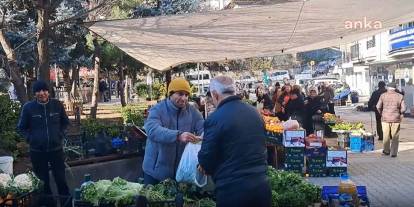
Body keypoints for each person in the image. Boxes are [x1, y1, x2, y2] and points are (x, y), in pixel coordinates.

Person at [198, 76, 271, 207]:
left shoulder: (214, 119)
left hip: (232, 190)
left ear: (215, 94)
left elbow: (206, 161)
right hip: (261, 186)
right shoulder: (255, 113)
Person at [17, 80, 70, 206]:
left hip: (56, 150)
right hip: (37, 152)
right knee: (43, 181)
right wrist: (31, 139)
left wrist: (60, 135)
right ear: (35, 94)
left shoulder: (57, 105)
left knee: (61, 179)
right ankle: (49, 204)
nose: (42, 93)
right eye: (38, 91)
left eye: (44, 90)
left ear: (48, 91)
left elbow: (65, 123)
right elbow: (21, 128)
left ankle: (66, 203)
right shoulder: (28, 108)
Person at [142, 78, 204, 185]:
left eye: (186, 95)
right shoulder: (157, 110)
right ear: (170, 94)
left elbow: (204, 128)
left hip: (181, 173)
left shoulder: (193, 111)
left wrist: (203, 137)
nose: (184, 98)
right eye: (180, 94)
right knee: (152, 200)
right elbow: (152, 130)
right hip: (155, 173)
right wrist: (178, 135)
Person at [376, 82, 406, 157]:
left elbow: (378, 106)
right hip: (396, 118)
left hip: (385, 118)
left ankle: (386, 151)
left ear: (387, 87)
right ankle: (394, 153)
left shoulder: (383, 95)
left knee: (386, 135)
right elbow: (404, 109)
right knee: (395, 136)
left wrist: (382, 114)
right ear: (395, 88)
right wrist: (400, 113)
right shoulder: (400, 96)